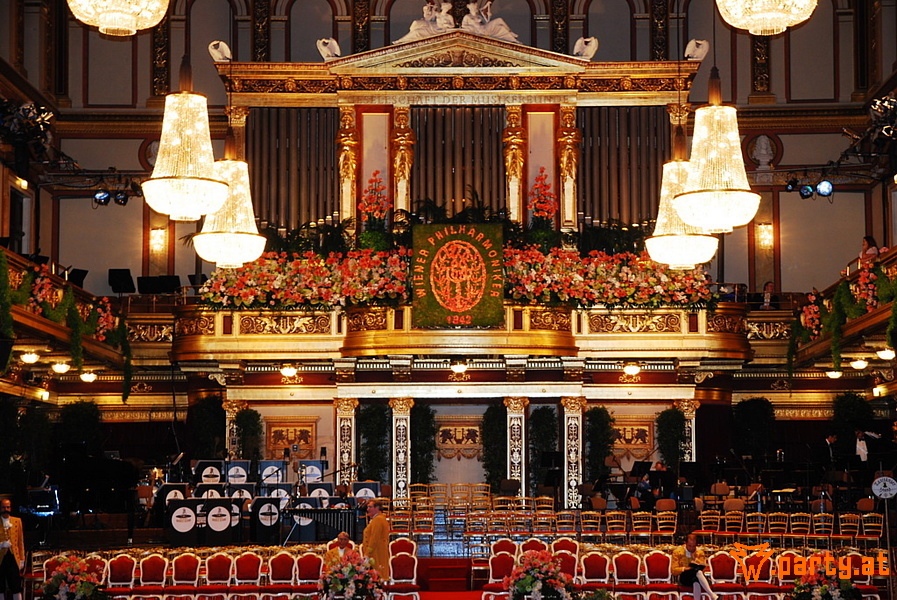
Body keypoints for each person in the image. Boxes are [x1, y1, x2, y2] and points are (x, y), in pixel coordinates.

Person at [672, 534, 718, 600]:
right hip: (684, 578)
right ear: (685, 543)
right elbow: (673, 571)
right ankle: (712, 595)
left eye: (693, 546)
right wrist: (685, 568)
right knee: (697, 573)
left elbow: (703, 569)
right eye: (689, 546)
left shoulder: (700, 553)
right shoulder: (677, 552)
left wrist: (695, 559)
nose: (691, 548)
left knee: (696, 578)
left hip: (696, 577)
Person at [0, 498, 25, 600]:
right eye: (3, 507)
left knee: (16, 585)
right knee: (0, 586)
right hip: (0, 558)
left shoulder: (17, 521)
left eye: (8, 507)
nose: (6, 509)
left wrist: (22, 559)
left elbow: (20, 541)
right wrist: (1, 545)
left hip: (14, 557)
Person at [362, 499, 390, 578]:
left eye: (370, 507)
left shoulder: (378, 520)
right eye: (367, 507)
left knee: (378, 575)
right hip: (377, 551)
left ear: (377, 508)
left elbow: (374, 538)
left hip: (376, 552)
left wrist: (367, 554)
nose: (368, 509)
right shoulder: (378, 519)